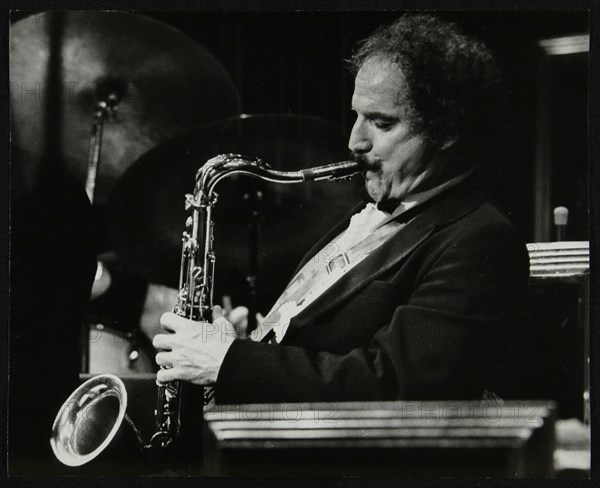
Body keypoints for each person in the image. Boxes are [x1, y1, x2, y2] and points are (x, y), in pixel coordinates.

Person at [152, 14, 529, 404]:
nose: (354, 142)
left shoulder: (480, 239)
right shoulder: (365, 213)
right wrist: (235, 343)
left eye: (381, 123)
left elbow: (395, 385)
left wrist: (231, 362)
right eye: (356, 116)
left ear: (446, 130)